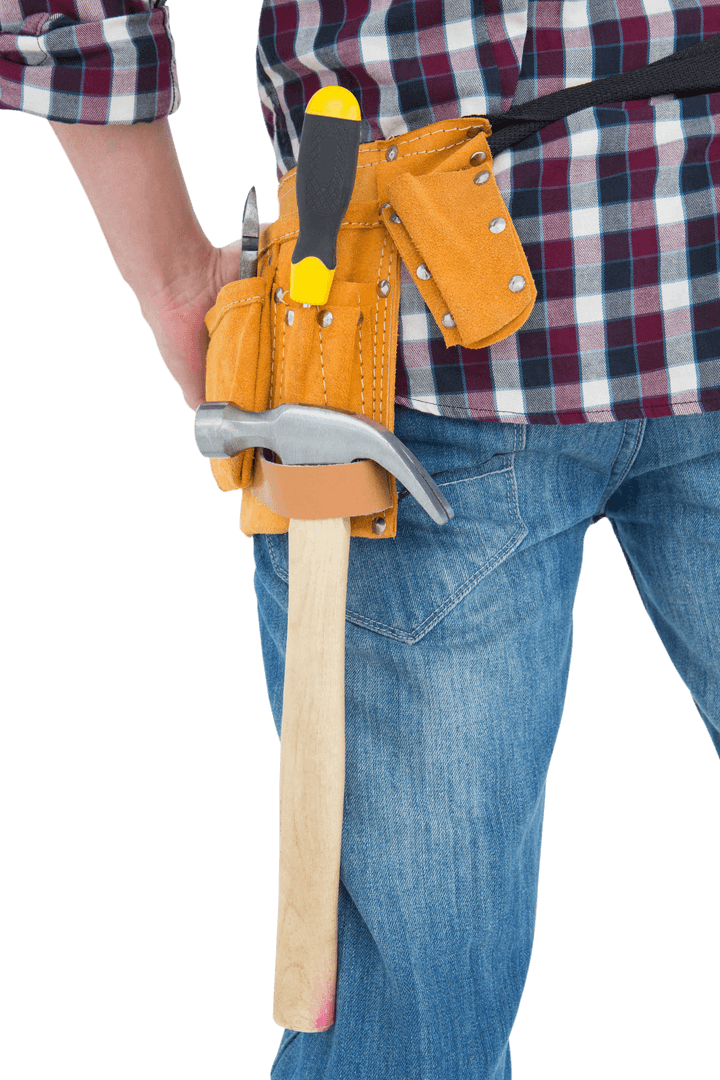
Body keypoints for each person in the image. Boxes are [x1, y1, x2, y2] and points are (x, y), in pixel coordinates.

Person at [3, 2, 719, 1077]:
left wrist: (175, 282)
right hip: (397, 375)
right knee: (411, 1016)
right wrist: (174, 279)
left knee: (415, 1009)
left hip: (410, 366)